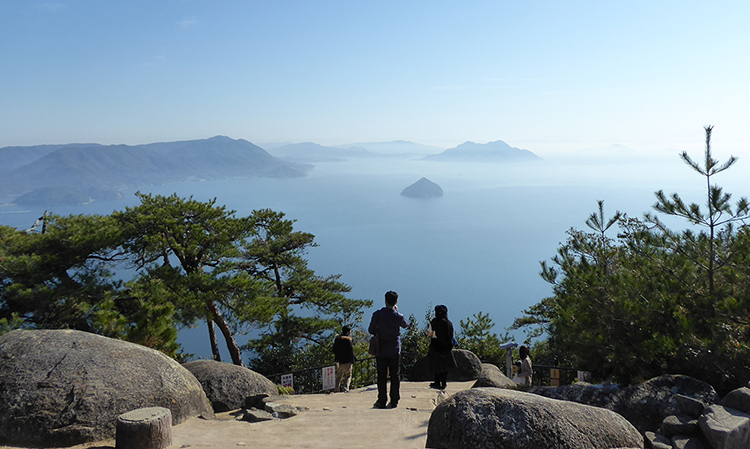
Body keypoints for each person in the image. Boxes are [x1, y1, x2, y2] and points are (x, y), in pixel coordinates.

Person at [368, 290, 409, 409]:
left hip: (380, 349)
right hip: (394, 350)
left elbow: (371, 330)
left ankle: (381, 401)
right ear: (396, 302)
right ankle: (394, 400)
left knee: (381, 376)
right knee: (395, 375)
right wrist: (397, 312)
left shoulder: (377, 314)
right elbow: (406, 324)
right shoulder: (397, 316)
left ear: (385, 301)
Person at [427, 305, 456, 389]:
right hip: (447, 347)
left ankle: (437, 382)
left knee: (436, 365)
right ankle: (444, 383)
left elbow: (430, 334)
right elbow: (451, 335)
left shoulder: (434, 322)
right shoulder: (449, 323)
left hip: (436, 347)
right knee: (445, 365)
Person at [332, 325, 356, 392]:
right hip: (347, 361)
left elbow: (334, 350)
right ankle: (346, 388)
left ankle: (336, 389)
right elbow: (351, 351)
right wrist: (353, 360)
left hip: (339, 361)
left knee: (339, 376)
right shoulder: (348, 341)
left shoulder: (337, 340)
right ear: (348, 332)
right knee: (348, 375)